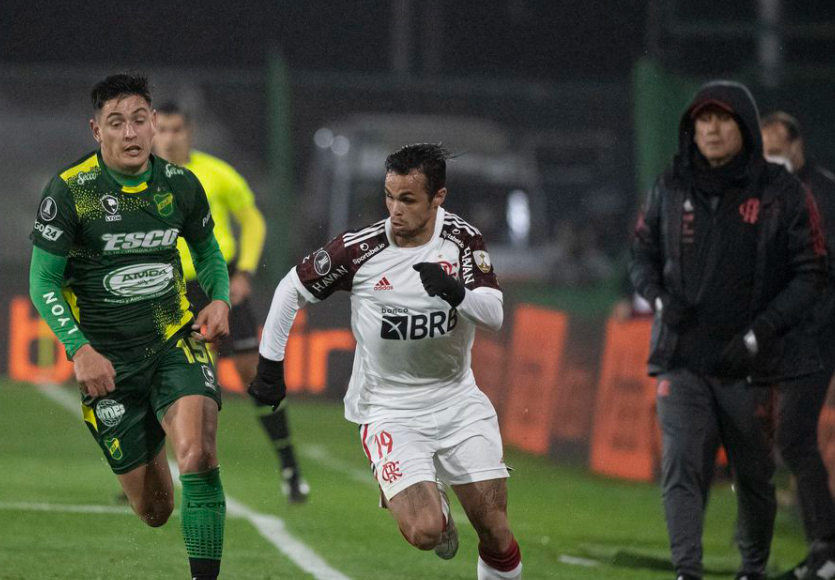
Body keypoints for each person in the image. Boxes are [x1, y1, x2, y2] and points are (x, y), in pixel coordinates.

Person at [249, 143, 523, 579]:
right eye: (390, 197)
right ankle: (433, 503)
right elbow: (290, 288)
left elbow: (493, 314)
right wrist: (269, 364)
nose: (395, 209)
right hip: (389, 407)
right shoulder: (361, 250)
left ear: (439, 198)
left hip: (457, 399)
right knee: (425, 532)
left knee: (495, 529)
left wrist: (455, 292)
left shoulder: (463, 240)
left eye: (408, 199)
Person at [28, 73, 231, 580]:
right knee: (156, 511)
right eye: (116, 123)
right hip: (109, 365)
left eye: (140, 119)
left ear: (154, 123)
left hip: (173, 340)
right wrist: (79, 349)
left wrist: (219, 299)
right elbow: (43, 283)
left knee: (201, 455)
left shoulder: (180, 185)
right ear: (97, 131)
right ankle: (153, 430)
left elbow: (206, 251)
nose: (131, 132)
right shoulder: (71, 192)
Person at [630, 81, 828, 580]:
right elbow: (641, 255)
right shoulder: (669, 186)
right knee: (680, 468)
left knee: (755, 476)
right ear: (690, 129)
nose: (712, 129)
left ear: (743, 127)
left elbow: (811, 274)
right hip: (681, 358)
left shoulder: (783, 193)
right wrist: (656, 298)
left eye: (723, 119)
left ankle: (752, 569)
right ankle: (687, 572)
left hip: (752, 365)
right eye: (703, 120)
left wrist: (762, 332)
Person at [152, 101, 309, 504]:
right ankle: (151, 473)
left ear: (190, 132)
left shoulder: (218, 173)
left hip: (217, 282)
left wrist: (244, 273)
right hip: (169, 288)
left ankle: (289, 464)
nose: (169, 138)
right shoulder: (143, 177)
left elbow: (254, 221)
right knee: (166, 379)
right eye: (162, 130)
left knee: (253, 373)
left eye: (176, 130)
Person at [761, 112, 835, 580]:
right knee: (792, 435)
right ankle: (825, 550)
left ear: (797, 144)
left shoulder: (818, 191)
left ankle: (831, 552)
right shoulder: (788, 193)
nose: (769, 158)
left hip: (818, 331)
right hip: (801, 332)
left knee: (793, 434)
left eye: (774, 148)